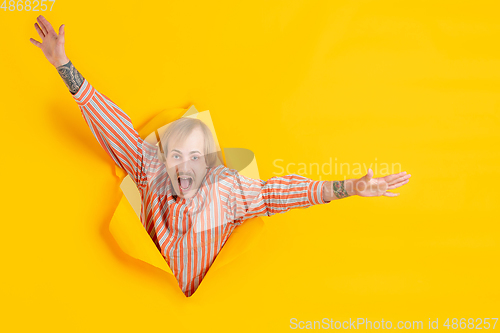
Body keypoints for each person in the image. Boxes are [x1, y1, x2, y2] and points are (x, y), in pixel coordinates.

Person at [30, 15, 412, 297]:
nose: (184, 164)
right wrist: (64, 66)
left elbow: (281, 193)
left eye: (195, 157)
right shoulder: (152, 174)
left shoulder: (226, 192)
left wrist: (349, 187)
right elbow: (116, 132)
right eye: (176, 155)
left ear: (208, 164)